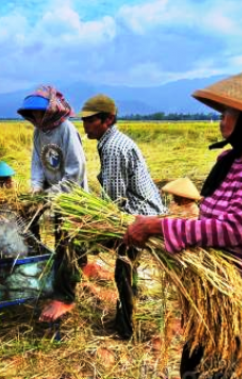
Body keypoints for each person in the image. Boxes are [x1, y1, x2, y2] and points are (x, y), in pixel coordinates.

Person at [123, 62, 242, 378]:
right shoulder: (231, 159)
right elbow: (205, 217)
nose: (221, 119)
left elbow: (236, 227)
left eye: (228, 112)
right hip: (214, 297)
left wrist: (157, 226)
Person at [79, 94, 165, 340]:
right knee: (126, 268)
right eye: (84, 120)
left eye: (90, 120)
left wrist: (96, 224)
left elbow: (116, 200)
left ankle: (125, 328)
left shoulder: (115, 147)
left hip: (139, 214)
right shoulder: (109, 142)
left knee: (123, 270)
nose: (85, 125)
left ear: (107, 120)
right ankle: (127, 317)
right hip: (138, 210)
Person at [17, 85, 88, 322]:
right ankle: (56, 280)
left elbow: (75, 172)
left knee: (68, 245)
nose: (35, 118)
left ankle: (66, 298)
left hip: (73, 198)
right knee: (59, 242)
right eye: (32, 115)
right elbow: (37, 165)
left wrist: (50, 196)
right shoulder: (39, 133)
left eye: (39, 113)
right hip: (53, 195)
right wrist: (36, 190)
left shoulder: (66, 130)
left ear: (50, 111)